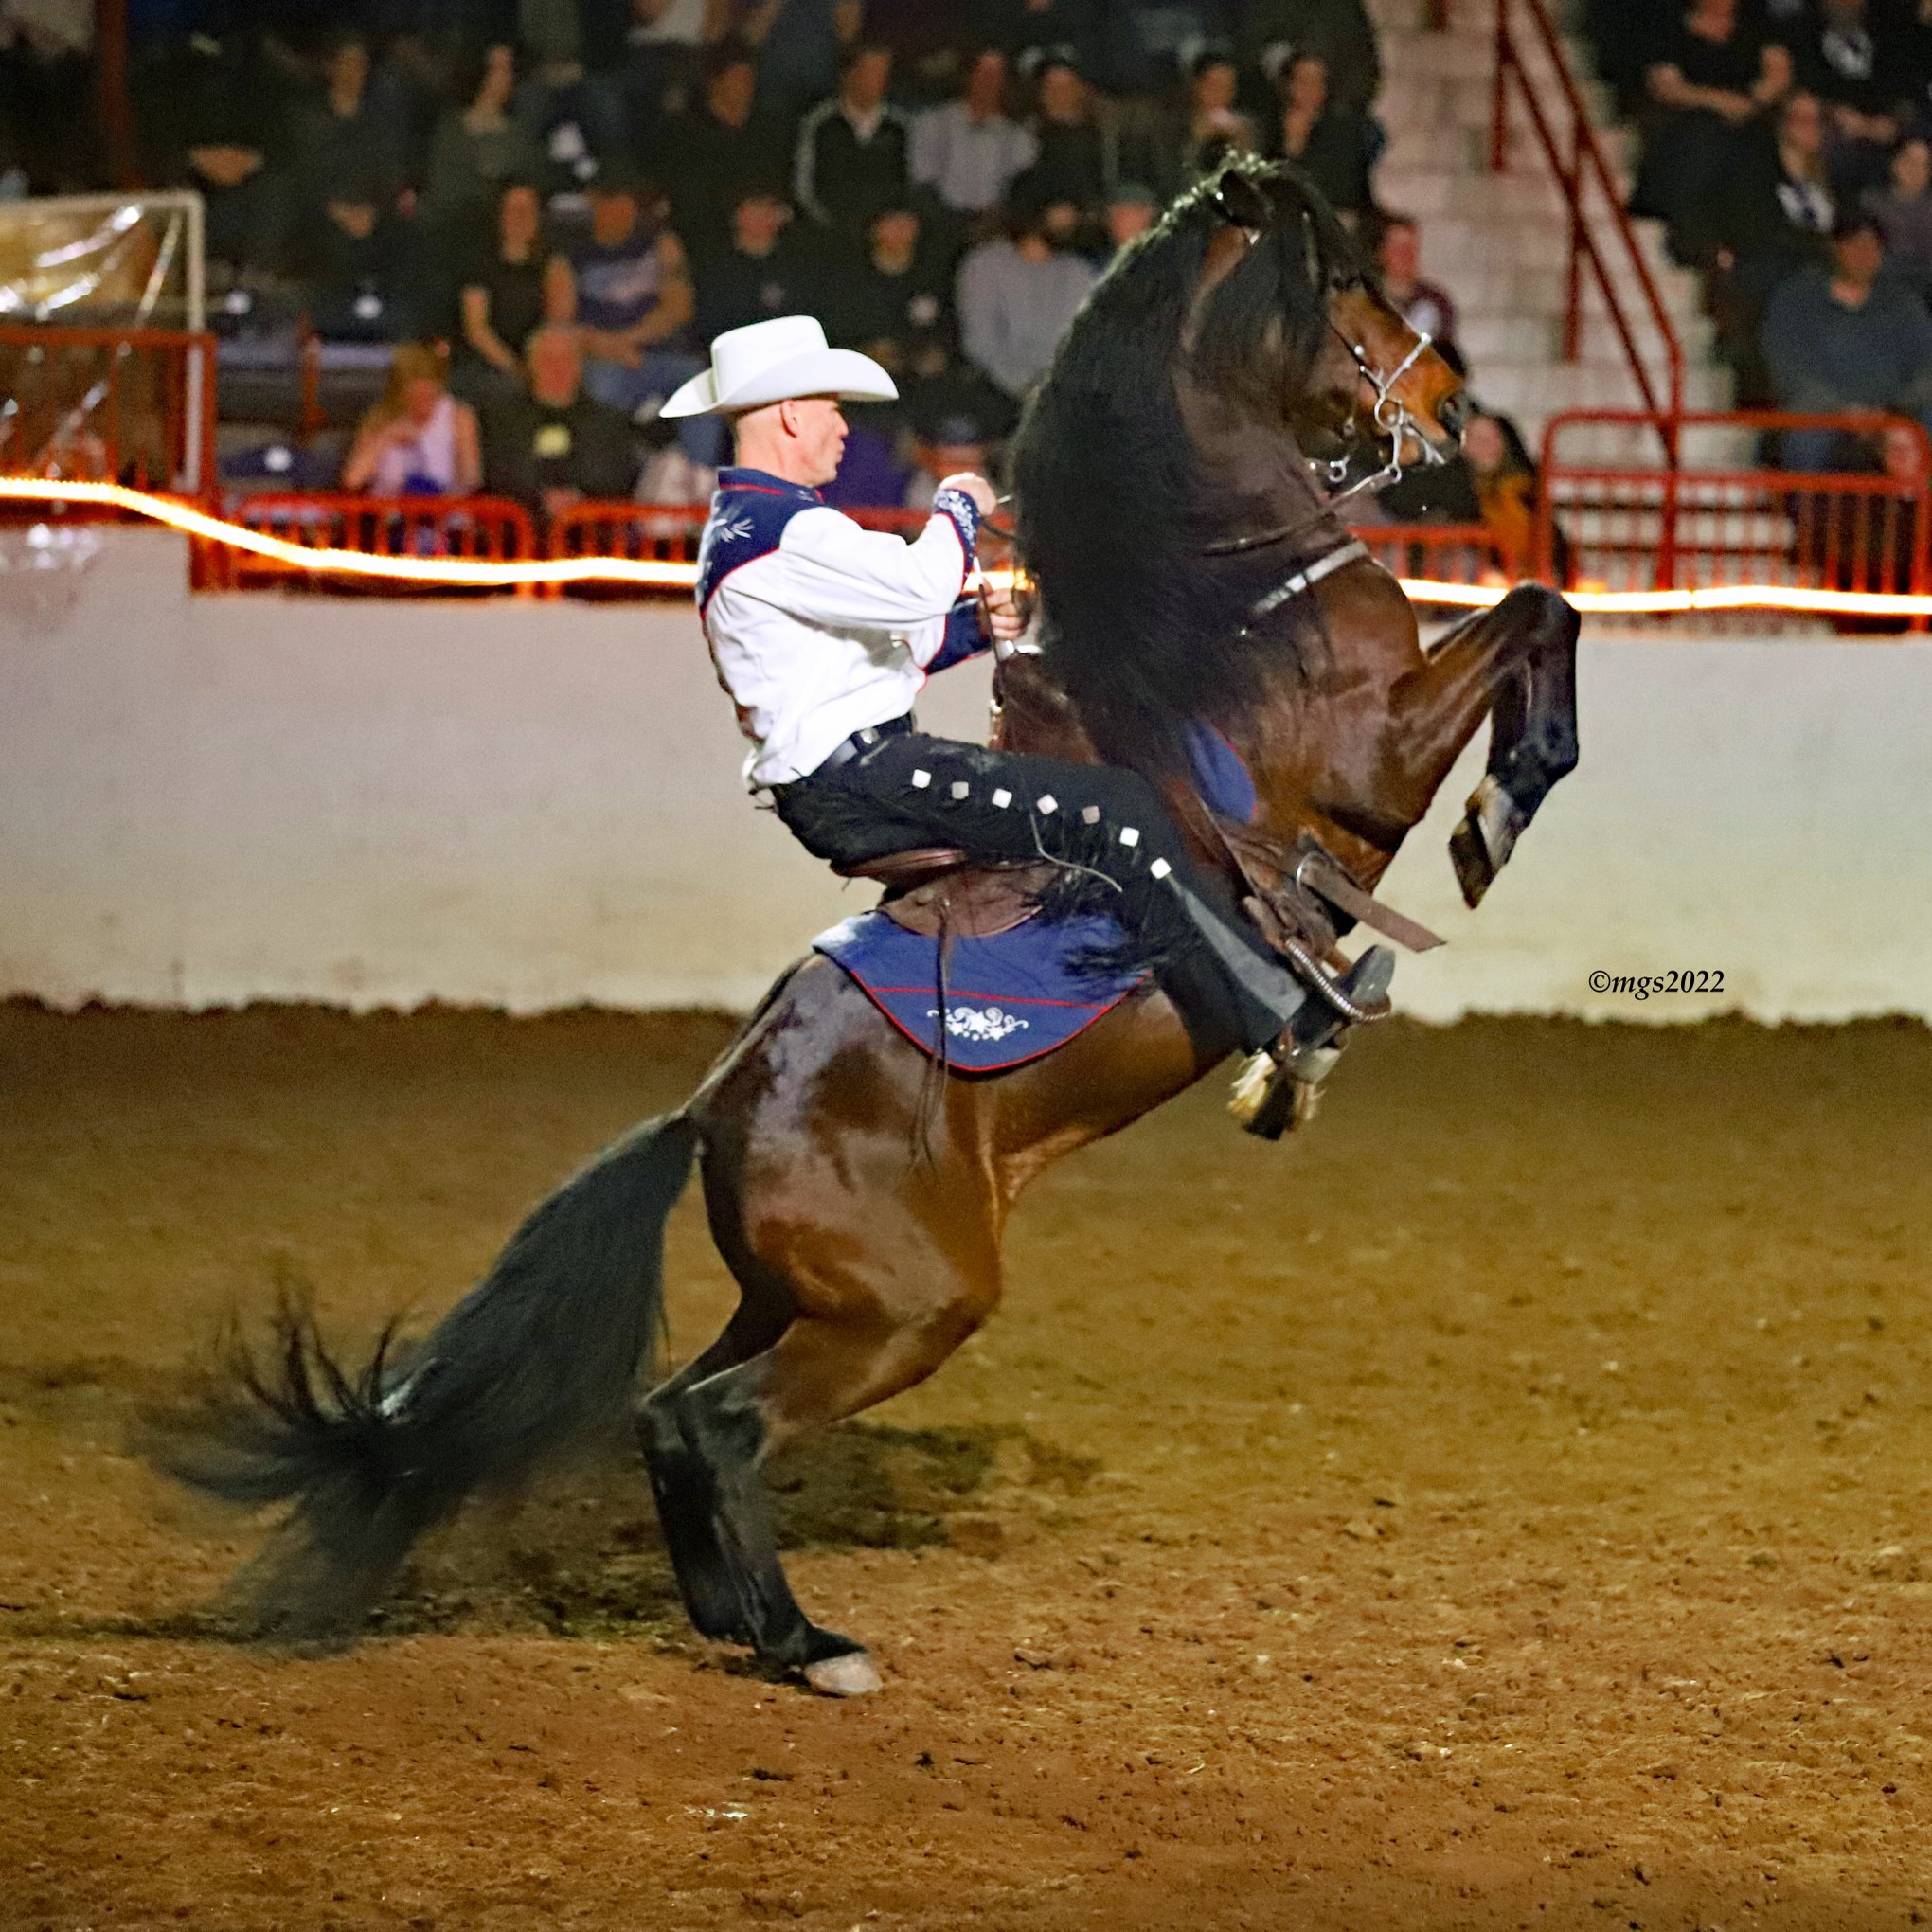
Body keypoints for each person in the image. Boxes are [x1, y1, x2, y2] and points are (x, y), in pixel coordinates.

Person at [665, 313, 1364, 1136]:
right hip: (862, 778)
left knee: (1094, 808)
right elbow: (921, 587)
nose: (842, 425)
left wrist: (975, 632)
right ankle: (1269, 1013)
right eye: (830, 405)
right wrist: (956, 502)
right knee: (1121, 814)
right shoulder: (786, 532)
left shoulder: (758, 530)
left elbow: (868, 656)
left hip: (853, 771)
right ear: (788, 414)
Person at [553, 170, 718, 466]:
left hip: (660, 354)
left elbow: (679, 308)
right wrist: (608, 348)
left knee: (703, 385)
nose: (619, 212)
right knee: (603, 386)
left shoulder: (661, 244)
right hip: (601, 359)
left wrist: (628, 342)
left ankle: (695, 479)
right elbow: (561, 326)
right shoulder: (569, 255)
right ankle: (618, 480)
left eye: (626, 204)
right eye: (610, 202)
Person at [1762, 213, 1932, 470]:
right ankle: (1805, 510)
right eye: (1855, 246)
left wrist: (1893, 412)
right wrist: (1842, 412)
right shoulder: (1796, 299)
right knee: (1806, 440)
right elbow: (1788, 369)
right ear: (1836, 248)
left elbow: (1926, 364)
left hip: (1894, 413)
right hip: (1823, 416)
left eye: (1873, 247)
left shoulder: (1902, 304)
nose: (1864, 255)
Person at [1630, 0, 1793, 265]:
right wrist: (1720, 101)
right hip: (1692, 121)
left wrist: (1752, 101)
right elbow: (1666, 85)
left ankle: (1751, 246)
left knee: (1756, 149)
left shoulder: (1756, 28)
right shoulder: (1673, 30)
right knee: (1703, 144)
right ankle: (1695, 242)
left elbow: (1779, 73)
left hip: (1747, 121)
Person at [956, 171, 1099, 401]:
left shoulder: (1079, 273)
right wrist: (1023, 388)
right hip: (996, 395)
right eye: (1061, 210)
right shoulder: (984, 266)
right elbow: (980, 344)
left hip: (1062, 399)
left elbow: (1080, 346)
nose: (1070, 219)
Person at [482, 322, 641, 513]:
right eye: (547, 359)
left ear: (579, 367)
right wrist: (538, 498)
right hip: (521, 533)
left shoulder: (608, 421)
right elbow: (496, 478)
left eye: (566, 359)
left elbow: (620, 480)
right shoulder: (502, 421)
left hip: (590, 534)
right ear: (531, 365)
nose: (557, 367)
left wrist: (580, 499)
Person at [421, 43, 544, 245]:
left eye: (508, 69)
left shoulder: (519, 135)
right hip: (452, 232)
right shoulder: (451, 128)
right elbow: (442, 189)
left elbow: (526, 187)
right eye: (498, 69)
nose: (506, 78)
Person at [454, 179, 560, 409]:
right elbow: (477, 331)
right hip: (487, 364)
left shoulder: (553, 265)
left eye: (528, 210)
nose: (520, 217)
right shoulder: (479, 266)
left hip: (540, 360)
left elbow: (559, 320)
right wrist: (519, 370)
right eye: (513, 209)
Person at [909, 45, 1038, 224]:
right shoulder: (931, 124)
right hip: (938, 225)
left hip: (993, 229)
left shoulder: (1019, 138)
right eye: (982, 73)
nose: (988, 82)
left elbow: (1021, 189)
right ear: (969, 75)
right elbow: (922, 181)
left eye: (996, 75)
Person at [793, 41, 911, 233]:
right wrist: (832, 227)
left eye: (884, 73)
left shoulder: (900, 127)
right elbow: (803, 189)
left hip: (884, 236)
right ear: (848, 75)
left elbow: (907, 186)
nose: (880, 80)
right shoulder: (817, 124)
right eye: (871, 72)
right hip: (829, 234)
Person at [342, 342, 483, 497]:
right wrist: (387, 437)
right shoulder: (380, 417)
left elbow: (471, 480)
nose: (423, 401)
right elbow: (352, 481)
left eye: (429, 396)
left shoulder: (459, 416)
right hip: (389, 514)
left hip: (445, 513)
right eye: (415, 396)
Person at [694, 183, 816, 342]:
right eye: (756, 207)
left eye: (771, 208)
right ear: (738, 215)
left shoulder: (799, 265)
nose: (765, 215)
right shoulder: (716, 266)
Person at [1269, 51, 1377, 217]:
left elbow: (1347, 186)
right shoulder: (1273, 125)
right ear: (1289, 85)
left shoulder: (1343, 127)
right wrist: (1293, 144)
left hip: (1333, 214)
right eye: (1303, 81)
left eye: (1316, 82)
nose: (1309, 90)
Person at [1374, 215, 1464, 374]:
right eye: (1397, 247)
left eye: (1411, 248)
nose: (1405, 255)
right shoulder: (1369, 300)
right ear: (1382, 252)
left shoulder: (1437, 303)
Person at [1865, 136, 1932, 302]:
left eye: (1923, 164)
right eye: (1909, 160)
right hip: (1885, 290)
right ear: (1895, 162)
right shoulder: (1871, 202)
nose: (1915, 169)